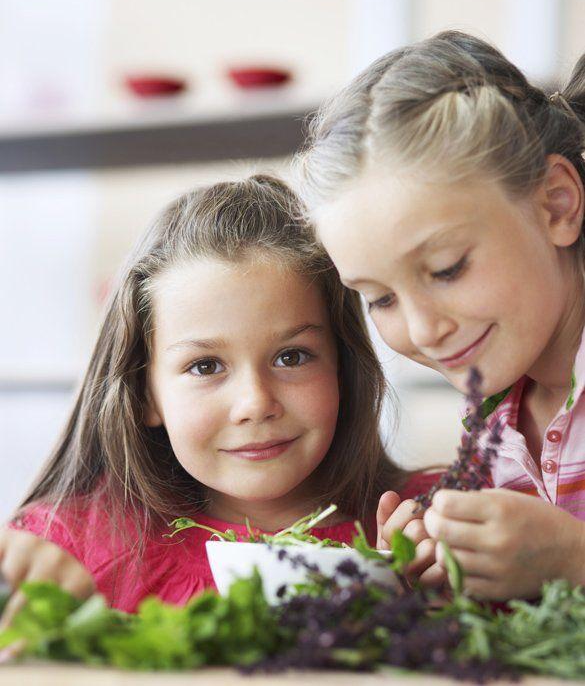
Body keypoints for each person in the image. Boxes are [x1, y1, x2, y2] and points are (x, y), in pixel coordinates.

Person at [0, 175, 432, 624]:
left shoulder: (438, 524)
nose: (255, 403)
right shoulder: (67, 551)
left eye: (291, 357)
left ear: (343, 367)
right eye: (206, 366)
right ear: (145, 395)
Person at [294, 30, 585, 600]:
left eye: (448, 269)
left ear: (556, 203)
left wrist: (573, 560)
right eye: (380, 298)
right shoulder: (496, 424)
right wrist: (445, 568)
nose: (425, 330)